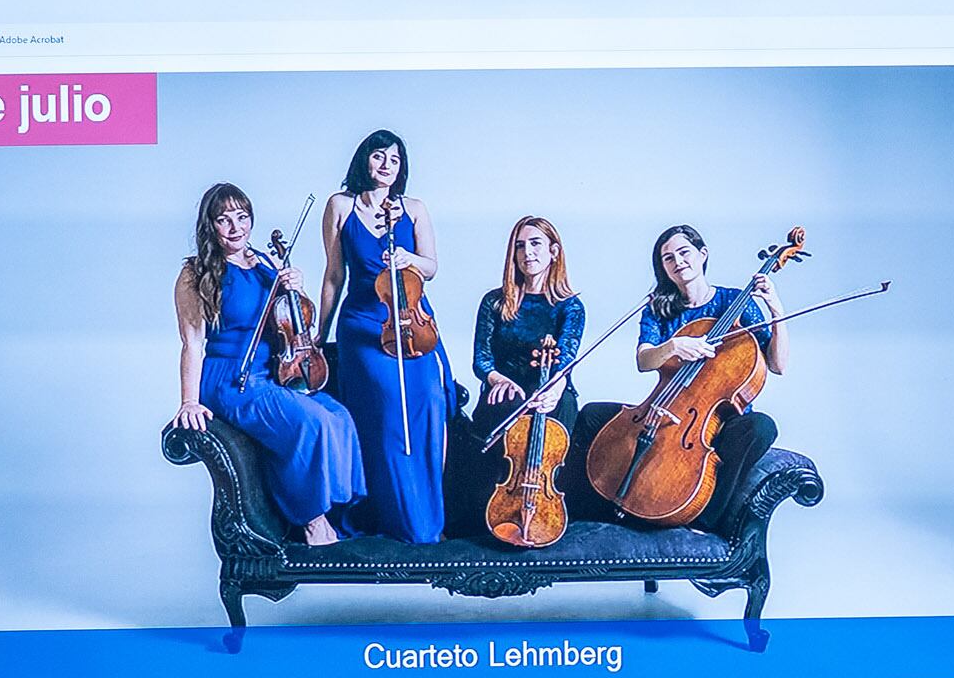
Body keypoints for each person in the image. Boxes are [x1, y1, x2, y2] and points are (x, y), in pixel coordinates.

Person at [170, 182, 359, 548]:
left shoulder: (268, 264)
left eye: (241, 217)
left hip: (271, 374)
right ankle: (310, 520)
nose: (235, 227)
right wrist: (188, 402)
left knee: (338, 417)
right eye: (223, 220)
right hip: (230, 378)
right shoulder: (196, 273)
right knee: (311, 422)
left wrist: (297, 288)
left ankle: (339, 515)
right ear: (210, 226)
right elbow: (191, 343)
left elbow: (294, 321)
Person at [574, 224, 783, 533]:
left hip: (719, 420)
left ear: (702, 255)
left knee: (761, 427)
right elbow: (644, 361)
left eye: (684, 252)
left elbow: (777, 364)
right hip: (665, 405)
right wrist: (673, 346)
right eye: (668, 258)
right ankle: (585, 507)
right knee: (592, 414)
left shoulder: (736, 303)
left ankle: (706, 519)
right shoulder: (659, 307)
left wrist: (775, 307)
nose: (678, 262)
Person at [316, 130, 451, 543]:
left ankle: (427, 520)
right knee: (389, 413)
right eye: (379, 157)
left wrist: (408, 258)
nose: (386, 165)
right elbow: (334, 275)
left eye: (394, 159)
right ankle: (394, 518)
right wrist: (317, 336)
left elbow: (430, 267)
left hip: (412, 321)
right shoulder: (340, 206)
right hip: (363, 326)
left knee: (429, 401)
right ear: (364, 161)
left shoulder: (414, 208)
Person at [461, 215, 588, 541]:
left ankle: (546, 515)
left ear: (554, 251)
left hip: (552, 388)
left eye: (535, 244)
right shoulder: (495, 301)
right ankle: (489, 514)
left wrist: (557, 385)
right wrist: (495, 378)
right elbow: (481, 357)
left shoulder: (570, 307)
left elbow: (567, 355)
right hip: (504, 390)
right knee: (502, 415)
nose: (527, 252)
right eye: (520, 246)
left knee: (559, 427)